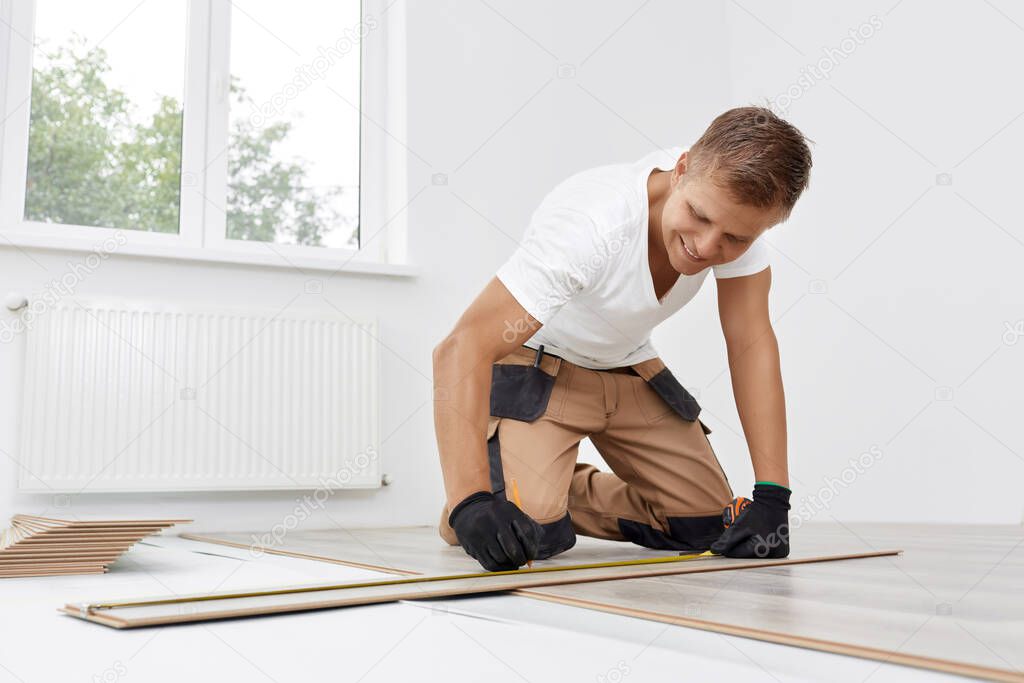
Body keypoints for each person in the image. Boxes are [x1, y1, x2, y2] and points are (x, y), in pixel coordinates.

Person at [432, 106, 812, 571]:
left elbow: (751, 343)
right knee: (527, 533)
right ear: (682, 168)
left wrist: (773, 495)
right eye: (698, 216)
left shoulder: (734, 217)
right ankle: (487, 489)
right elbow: (462, 348)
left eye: (735, 239)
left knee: (711, 527)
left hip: (626, 366)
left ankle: (536, 480)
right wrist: (471, 501)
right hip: (540, 364)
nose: (707, 248)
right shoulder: (592, 223)